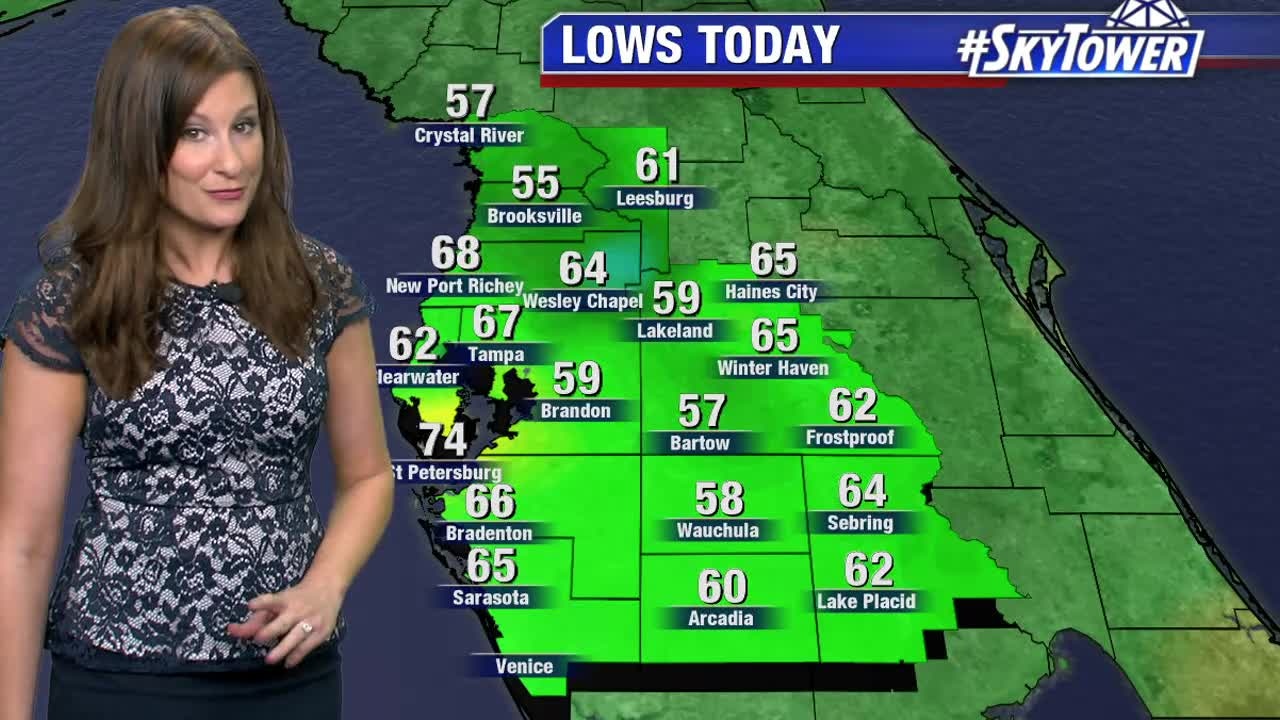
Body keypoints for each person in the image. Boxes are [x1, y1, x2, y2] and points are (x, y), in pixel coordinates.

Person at [0, 6, 395, 719]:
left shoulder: (320, 286)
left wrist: (326, 586)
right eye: (194, 133)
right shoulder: (70, 304)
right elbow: (22, 545)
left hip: (290, 681)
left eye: (244, 127)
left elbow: (369, 477)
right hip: (120, 683)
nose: (232, 162)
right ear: (139, 145)